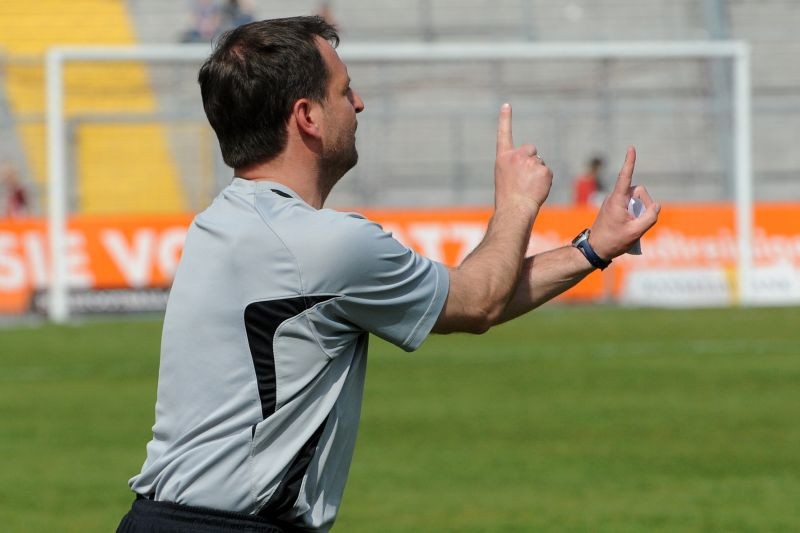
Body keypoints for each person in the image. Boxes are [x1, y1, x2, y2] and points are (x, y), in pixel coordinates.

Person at [118, 16, 659, 533]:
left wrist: (593, 248)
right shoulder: (326, 245)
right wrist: (517, 202)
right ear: (307, 117)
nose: (359, 103)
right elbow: (478, 302)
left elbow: (466, 295)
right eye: (344, 91)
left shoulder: (219, 224)